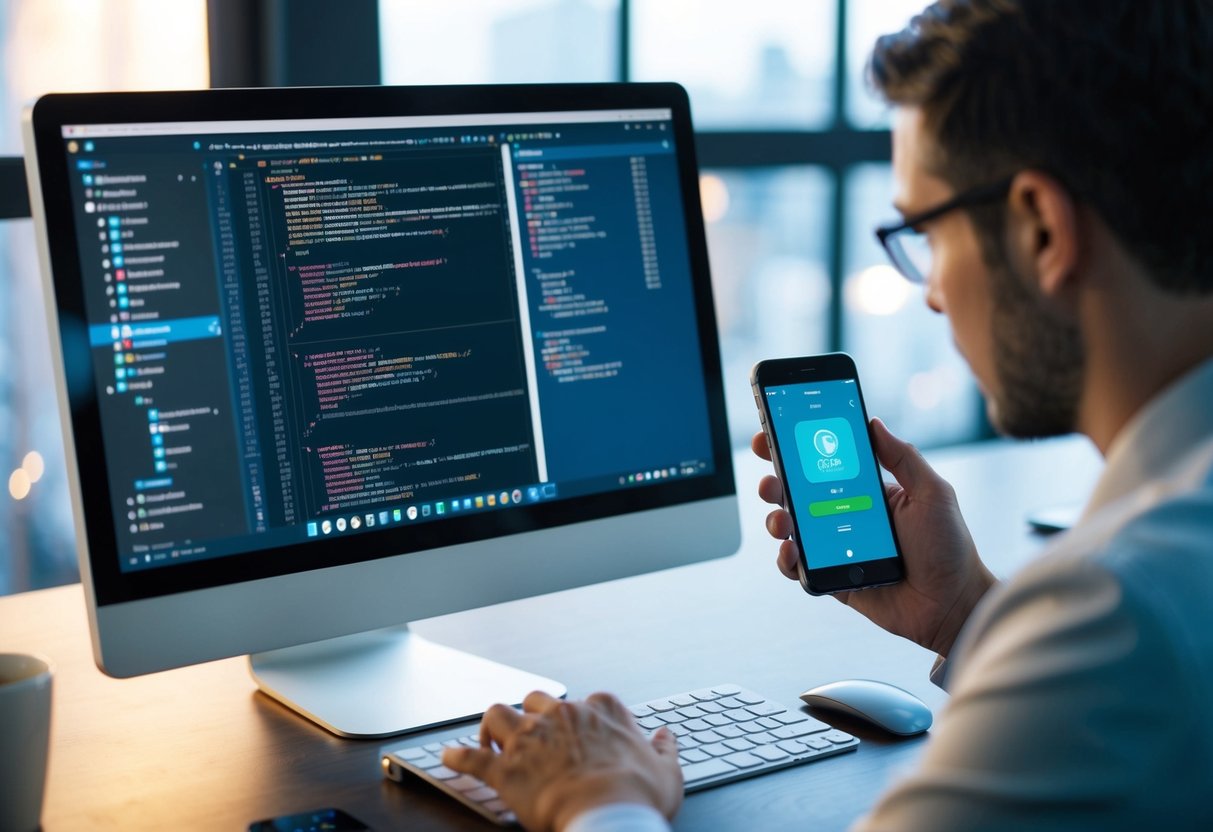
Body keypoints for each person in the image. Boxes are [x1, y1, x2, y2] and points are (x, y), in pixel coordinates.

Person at [443, 1, 1213, 828]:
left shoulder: (1115, 612)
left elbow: (1106, 666)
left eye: (923, 231)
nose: (930, 290)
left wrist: (597, 800)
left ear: (1039, 230)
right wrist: (965, 614)